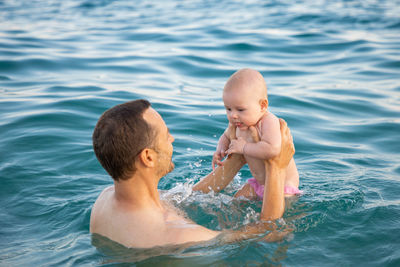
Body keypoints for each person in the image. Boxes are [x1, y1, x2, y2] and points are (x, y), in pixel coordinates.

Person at [90, 99, 295, 248]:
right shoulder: (179, 234)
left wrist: (237, 159)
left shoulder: (105, 200)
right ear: (148, 157)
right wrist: (276, 167)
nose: (172, 138)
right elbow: (269, 232)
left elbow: (190, 195)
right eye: (165, 135)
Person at [197, 68, 301, 199]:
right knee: (236, 201)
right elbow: (226, 136)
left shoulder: (268, 122)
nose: (233, 115)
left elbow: (272, 149)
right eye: (228, 109)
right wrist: (220, 150)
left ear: (262, 106)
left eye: (240, 109)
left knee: (274, 216)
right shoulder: (237, 124)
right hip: (258, 183)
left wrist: (244, 148)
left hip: (282, 186)